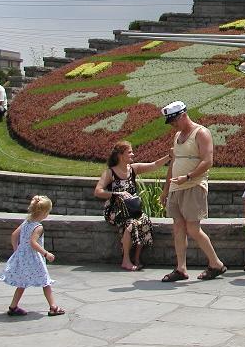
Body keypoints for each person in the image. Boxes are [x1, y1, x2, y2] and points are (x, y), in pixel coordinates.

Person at [159, 101, 227, 282]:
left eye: (174, 120)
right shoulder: (177, 136)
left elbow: (207, 161)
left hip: (193, 185)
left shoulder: (201, 133)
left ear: (183, 115)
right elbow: (173, 163)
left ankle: (216, 263)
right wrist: (166, 190)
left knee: (193, 229)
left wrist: (188, 177)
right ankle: (181, 268)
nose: (172, 125)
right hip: (176, 187)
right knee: (178, 227)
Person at [94, 141, 170, 271]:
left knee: (144, 220)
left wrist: (169, 156)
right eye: (129, 152)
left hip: (132, 209)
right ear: (120, 155)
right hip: (115, 210)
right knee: (131, 224)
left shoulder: (133, 169)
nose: (133, 154)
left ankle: (136, 258)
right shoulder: (110, 173)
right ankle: (126, 260)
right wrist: (117, 194)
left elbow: (155, 165)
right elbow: (97, 191)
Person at [0, 195, 65, 316]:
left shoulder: (26, 222)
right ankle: (53, 307)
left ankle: (13, 307)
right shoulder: (38, 227)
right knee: (45, 281)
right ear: (44, 213)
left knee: (22, 282)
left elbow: (14, 235)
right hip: (33, 258)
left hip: (22, 256)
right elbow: (33, 243)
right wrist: (46, 253)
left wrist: (17, 251)